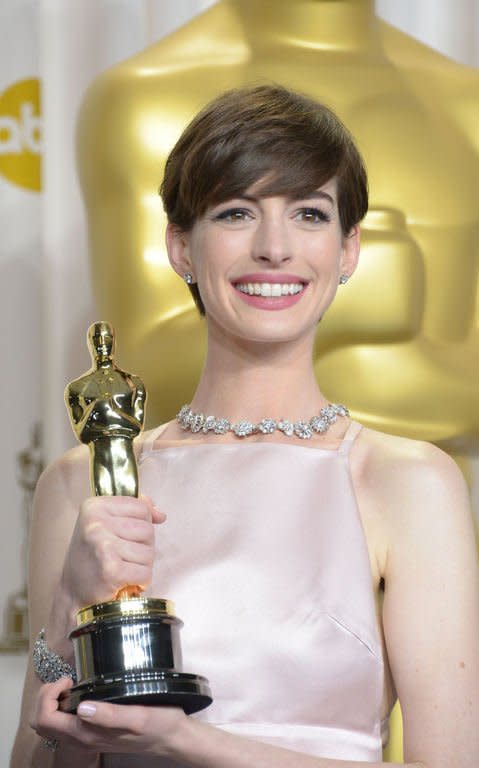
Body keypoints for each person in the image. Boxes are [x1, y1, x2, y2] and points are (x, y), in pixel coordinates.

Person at [11, 85, 479, 767]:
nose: (274, 248)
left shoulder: (406, 482)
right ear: (181, 248)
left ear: (347, 249)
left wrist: (181, 737)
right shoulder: (80, 480)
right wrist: (65, 603)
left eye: (309, 214)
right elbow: (36, 754)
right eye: (235, 212)